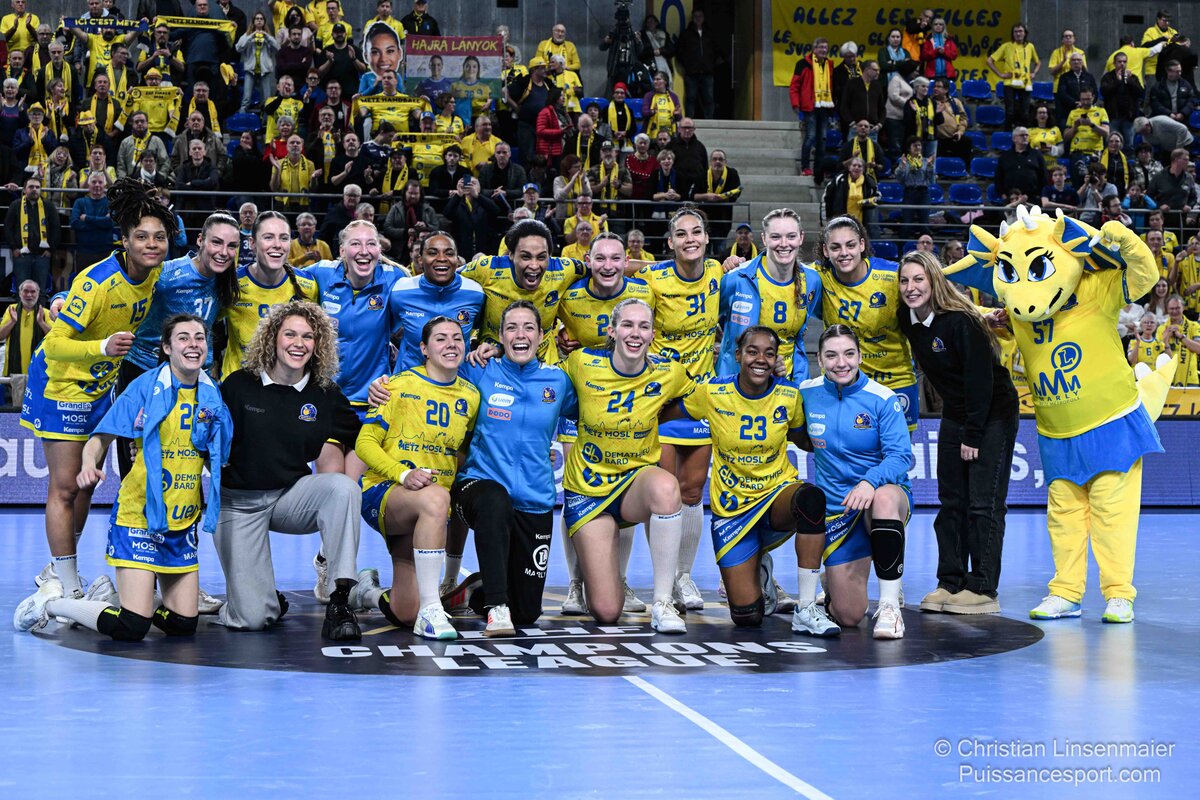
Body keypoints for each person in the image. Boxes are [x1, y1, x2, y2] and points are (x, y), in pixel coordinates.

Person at [15, 313, 233, 638]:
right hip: (138, 519)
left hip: (181, 522)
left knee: (184, 624)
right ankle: (52, 605)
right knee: (132, 626)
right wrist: (89, 465)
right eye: (183, 338)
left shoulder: (212, 395)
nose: (193, 345)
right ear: (167, 347)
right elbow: (99, 439)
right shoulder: (145, 387)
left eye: (199, 338)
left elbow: (215, 459)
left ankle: (114, 597)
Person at [18, 179, 177, 602]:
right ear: (124, 240)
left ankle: (58, 566)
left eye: (159, 237)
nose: (151, 244)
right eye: (141, 237)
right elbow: (54, 344)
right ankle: (68, 582)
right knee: (66, 487)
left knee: (88, 484)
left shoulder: (155, 272)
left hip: (101, 388)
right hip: (62, 385)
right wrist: (102, 347)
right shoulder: (98, 282)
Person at [214, 302, 363, 639]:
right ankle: (264, 598)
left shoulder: (324, 394)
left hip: (289, 497)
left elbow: (363, 439)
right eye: (290, 334)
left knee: (343, 489)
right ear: (272, 339)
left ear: (318, 344)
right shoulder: (239, 385)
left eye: (308, 336)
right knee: (253, 619)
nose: (299, 343)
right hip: (237, 504)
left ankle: (339, 600)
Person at [683, 326, 835, 633]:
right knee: (747, 617)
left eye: (769, 353)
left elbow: (804, 439)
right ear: (738, 355)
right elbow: (669, 413)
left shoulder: (788, 394)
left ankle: (806, 607)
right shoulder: (712, 392)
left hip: (775, 494)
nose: (760, 359)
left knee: (810, 498)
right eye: (752, 351)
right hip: (733, 509)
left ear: (777, 359)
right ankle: (759, 566)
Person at [897, 251, 1018, 615]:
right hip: (955, 411)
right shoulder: (907, 318)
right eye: (904, 280)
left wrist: (972, 435)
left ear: (934, 281)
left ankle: (983, 588)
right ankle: (950, 581)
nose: (911, 287)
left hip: (991, 411)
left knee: (983, 503)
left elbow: (980, 381)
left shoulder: (960, 322)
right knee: (951, 501)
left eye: (919, 279)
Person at [560, 297, 689, 632]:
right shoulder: (581, 362)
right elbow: (544, 388)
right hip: (588, 490)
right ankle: (592, 576)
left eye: (644, 326)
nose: (635, 333)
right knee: (606, 611)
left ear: (652, 335)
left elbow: (706, 396)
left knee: (666, 487)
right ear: (612, 331)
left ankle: (662, 602)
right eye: (627, 324)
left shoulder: (669, 372)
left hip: (634, 484)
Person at [553, 233, 654, 615]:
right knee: (576, 492)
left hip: (626, 401)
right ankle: (575, 584)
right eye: (600, 258)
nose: (608, 266)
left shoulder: (644, 291)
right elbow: (544, 321)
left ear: (626, 261)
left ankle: (618, 579)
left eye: (616, 258)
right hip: (580, 403)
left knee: (624, 486)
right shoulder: (570, 295)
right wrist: (559, 341)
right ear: (588, 261)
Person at [799, 324, 913, 638]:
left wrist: (869, 482)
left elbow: (901, 456)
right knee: (849, 616)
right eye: (831, 356)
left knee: (884, 499)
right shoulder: (806, 393)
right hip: (837, 511)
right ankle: (833, 583)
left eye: (849, 354)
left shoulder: (882, 398)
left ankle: (890, 606)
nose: (841, 363)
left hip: (878, 500)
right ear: (819, 360)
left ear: (860, 356)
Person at [637, 206, 724, 609]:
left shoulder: (719, 272)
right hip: (662, 398)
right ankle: (666, 574)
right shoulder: (653, 278)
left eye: (696, 232)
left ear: (706, 238)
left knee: (692, 491)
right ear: (670, 242)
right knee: (665, 491)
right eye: (682, 234)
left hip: (701, 395)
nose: (690, 239)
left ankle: (683, 577)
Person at [119, 213, 241, 477]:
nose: (224, 252)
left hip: (192, 379)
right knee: (136, 468)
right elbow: (117, 283)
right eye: (216, 242)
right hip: (143, 372)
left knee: (186, 468)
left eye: (232, 246)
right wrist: (62, 297)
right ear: (200, 240)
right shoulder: (166, 274)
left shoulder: (228, 281)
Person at [817, 216, 919, 429]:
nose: (844, 253)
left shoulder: (893, 275)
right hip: (844, 382)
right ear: (826, 251)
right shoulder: (817, 278)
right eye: (835, 247)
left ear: (862, 245)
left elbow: (938, 297)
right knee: (850, 447)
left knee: (898, 448)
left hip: (895, 381)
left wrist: (980, 314)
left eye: (850, 245)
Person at [718, 208, 822, 385]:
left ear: (801, 238)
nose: (784, 244)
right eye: (775, 237)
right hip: (738, 383)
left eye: (791, 236)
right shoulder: (737, 278)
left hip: (789, 382)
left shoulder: (812, 280)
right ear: (764, 239)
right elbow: (707, 316)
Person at [218, 210, 318, 379]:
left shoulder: (307, 285)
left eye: (284, 238)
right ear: (252, 243)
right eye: (268, 237)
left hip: (285, 384)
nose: (277, 244)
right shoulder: (232, 284)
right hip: (238, 383)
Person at [388, 231, 484, 373]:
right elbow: (389, 328)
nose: (441, 258)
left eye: (449, 253)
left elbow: (481, 328)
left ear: (457, 259)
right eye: (432, 253)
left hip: (458, 379)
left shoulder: (475, 293)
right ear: (420, 259)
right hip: (409, 379)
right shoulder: (401, 291)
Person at [4, 174, 60, 295]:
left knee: (40, 292)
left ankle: (40, 309)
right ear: (24, 190)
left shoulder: (48, 205)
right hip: (21, 255)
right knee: (22, 291)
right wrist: (14, 248)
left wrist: (51, 250)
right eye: (31, 187)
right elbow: (8, 228)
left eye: (37, 187)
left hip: (42, 256)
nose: (34, 189)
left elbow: (56, 228)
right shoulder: (16, 205)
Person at [0, 279, 50, 405]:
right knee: (18, 410)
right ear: (20, 293)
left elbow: (55, 338)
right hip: (15, 371)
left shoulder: (45, 313)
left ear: (38, 293)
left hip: (39, 372)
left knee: (36, 408)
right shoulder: (11, 310)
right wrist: (12, 322)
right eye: (26, 291)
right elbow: (1, 336)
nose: (29, 295)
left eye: (33, 292)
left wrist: (41, 322)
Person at [790, 38, 835, 180]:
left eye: (826, 47)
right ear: (814, 49)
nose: (824, 50)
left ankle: (819, 169)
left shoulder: (829, 64)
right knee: (810, 137)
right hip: (810, 106)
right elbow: (794, 86)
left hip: (825, 106)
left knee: (823, 139)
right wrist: (795, 103)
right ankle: (805, 167)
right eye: (821, 47)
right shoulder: (803, 64)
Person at [988, 23, 1040, 127]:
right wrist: (1001, 75)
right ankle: (1007, 133)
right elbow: (990, 61)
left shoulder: (1030, 46)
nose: (1018, 34)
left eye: (1020, 31)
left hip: (1025, 83)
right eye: (1015, 32)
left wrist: (1034, 73)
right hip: (1010, 82)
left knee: (1025, 113)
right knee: (1010, 112)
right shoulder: (1006, 46)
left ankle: (1024, 133)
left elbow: (1038, 62)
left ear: (1025, 33)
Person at [674, 9, 721, 119]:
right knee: (691, 98)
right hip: (692, 72)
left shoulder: (709, 33)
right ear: (692, 18)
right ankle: (689, 120)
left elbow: (716, 50)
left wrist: (711, 64)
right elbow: (679, 52)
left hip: (707, 71)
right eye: (695, 16)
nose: (698, 18)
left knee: (709, 98)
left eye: (700, 16)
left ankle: (709, 120)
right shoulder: (686, 34)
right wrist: (687, 65)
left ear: (703, 18)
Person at [822, 158, 881, 240]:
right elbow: (826, 198)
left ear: (863, 169)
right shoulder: (838, 180)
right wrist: (825, 221)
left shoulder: (869, 182)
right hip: (841, 221)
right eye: (854, 165)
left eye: (859, 166)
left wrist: (868, 201)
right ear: (849, 167)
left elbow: (878, 196)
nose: (856, 168)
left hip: (862, 224)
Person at [1101, 52, 1145, 151]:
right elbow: (1104, 92)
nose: (1122, 64)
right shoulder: (1108, 77)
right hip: (1113, 116)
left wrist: (1129, 81)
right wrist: (1117, 81)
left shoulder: (1132, 77)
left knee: (1129, 145)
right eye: (1119, 61)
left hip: (1129, 116)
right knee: (1113, 143)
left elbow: (1140, 93)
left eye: (1124, 62)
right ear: (1114, 63)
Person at [1157, 294, 1200, 385]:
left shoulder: (1194, 326)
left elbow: (1198, 349)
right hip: (1168, 379)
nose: (1174, 311)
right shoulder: (1162, 329)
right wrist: (1166, 340)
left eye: (1177, 308)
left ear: (1183, 308)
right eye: (1171, 309)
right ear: (1167, 309)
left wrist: (1181, 336)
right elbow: (1159, 355)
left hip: (1190, 379)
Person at [996, 127, 1046, 199]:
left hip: (1032, 198)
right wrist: (1002, 194)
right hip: (1010, 198)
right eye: (1022, 135)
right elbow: (998, 177)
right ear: (1014, 139)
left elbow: (1044, 176)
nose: (1025, 137)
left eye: (1027, 135)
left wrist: (1039, 194)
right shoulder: (1005, 156)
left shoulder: (1037, 154)